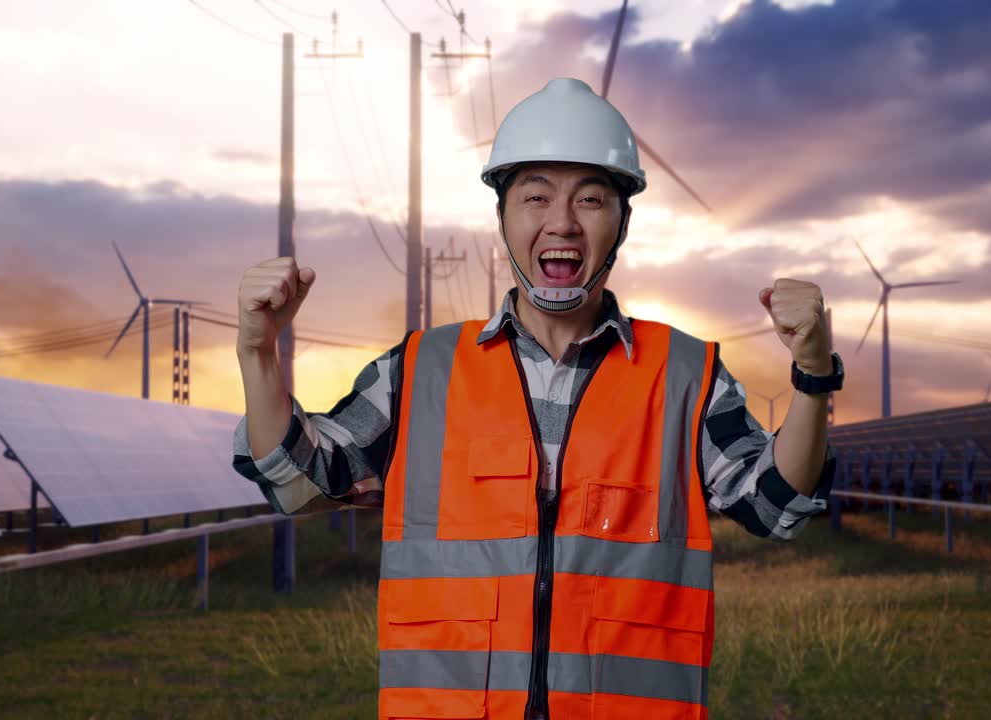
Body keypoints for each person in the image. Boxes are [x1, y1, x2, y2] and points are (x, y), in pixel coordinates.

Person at [232, 77, 843, 720]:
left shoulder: (686, 375)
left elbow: (779, 506)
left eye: (590, 199)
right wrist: (258, 355)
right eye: (535, 196)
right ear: (502, 218)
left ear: (622, 222)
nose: (562, 222)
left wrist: (812, 376)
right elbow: (297, 484)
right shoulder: (419, 374)